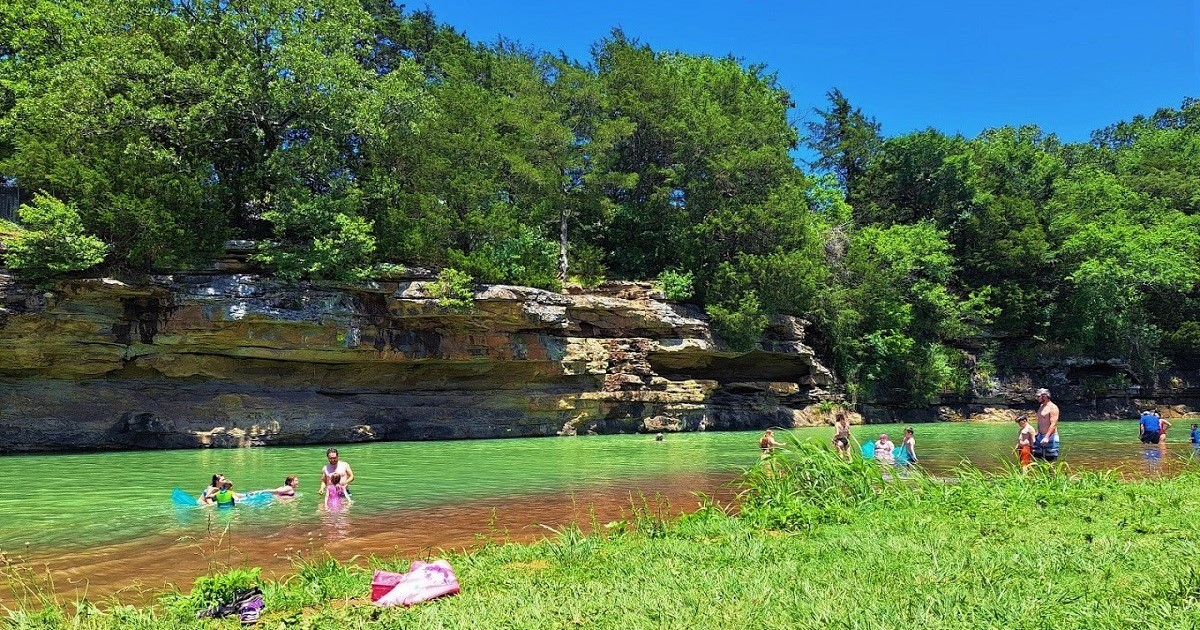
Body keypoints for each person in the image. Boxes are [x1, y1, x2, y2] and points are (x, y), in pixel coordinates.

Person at [1033, 388, 1060, 462]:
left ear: (1044, 396)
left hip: (1050, 437)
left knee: (1051, 461)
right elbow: (1040, 421)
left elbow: (1053, 424)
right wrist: (1037, 432)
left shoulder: (1053, 407)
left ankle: (1052, 474)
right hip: (1039, 436)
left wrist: (1047, 437)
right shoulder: (1041, 406)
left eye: (1038, 396)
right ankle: (1041, 474)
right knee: (1038, 459)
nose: (1037, 398)